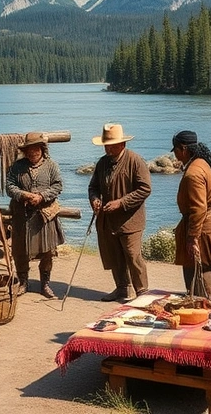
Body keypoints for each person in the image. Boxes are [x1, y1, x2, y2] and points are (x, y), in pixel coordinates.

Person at [87, 123, 151, 302]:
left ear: (122, 144)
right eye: (106, 145)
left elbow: (145, 189)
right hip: (108, 220)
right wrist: (94, 199)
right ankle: (122, 289)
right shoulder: (102, 163)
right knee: (114, 255)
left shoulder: (135, 161)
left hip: (131, 220)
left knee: (133, 255)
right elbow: (93, 187)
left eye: (112, 145)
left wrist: (121, 203)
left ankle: (142, 292)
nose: (108, 149)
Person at [170, 130, 211, 300]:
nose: (175, 155)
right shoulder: (208, 164)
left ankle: (208, 306)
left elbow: (199, 208)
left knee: (200, 269)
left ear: (183, 148)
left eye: (176, 150)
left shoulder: (193, 172)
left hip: (205, 227)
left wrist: (192, 237)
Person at [5, 131, 64, 298]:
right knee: (20, 251)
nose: (33, 152)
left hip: (44, 216)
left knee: (47, 251)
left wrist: (42, 196)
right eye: (29, 149)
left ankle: (45, 284)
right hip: (22, 216)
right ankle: (23, 282)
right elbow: (9, 186)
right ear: (25, 151)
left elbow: (58, 186)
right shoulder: (17, 167)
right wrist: (23, 195)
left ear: (42, 149)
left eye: (36, 149)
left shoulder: (51, 166)